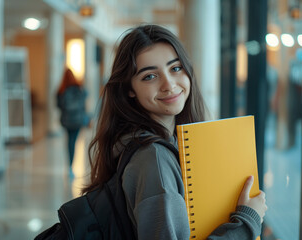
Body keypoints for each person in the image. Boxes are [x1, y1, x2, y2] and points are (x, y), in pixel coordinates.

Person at [83, 25, 267, 239]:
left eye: (176, 68)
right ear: (129, 89)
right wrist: (247, 221)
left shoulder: (152, 143)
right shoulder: (153, 159)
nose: (169, 85)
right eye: (149, 76)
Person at [57, 68, 89, 178]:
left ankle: (69, 165)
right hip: (77, 120)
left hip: (66, 120)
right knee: (73, 142)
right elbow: (85, 98)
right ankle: (71, 166)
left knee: (69, 141)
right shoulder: (78, 88)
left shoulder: (61, 90)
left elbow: (58, 105)